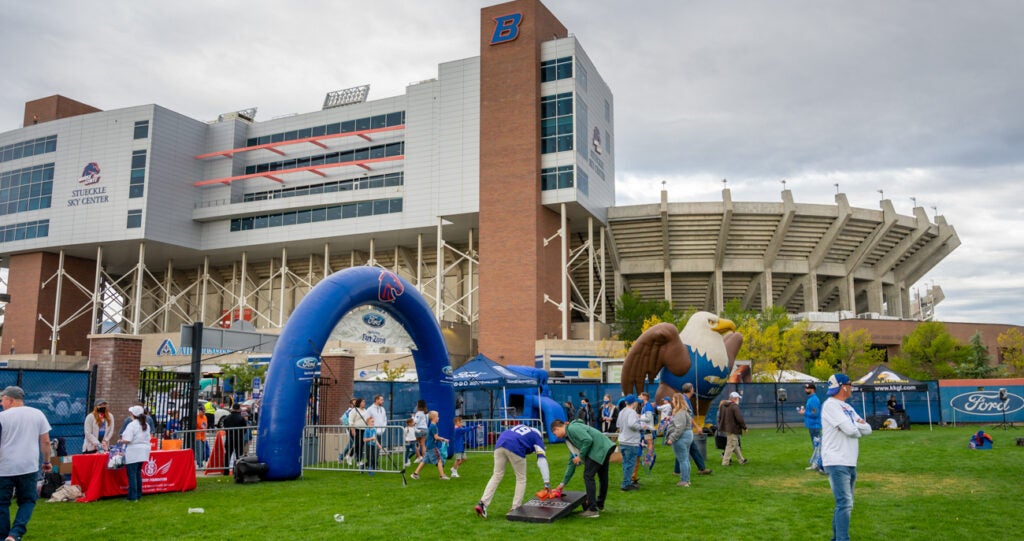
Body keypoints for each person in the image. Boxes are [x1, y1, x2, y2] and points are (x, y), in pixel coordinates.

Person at [821, 374, 872, 541]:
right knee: (845, 504)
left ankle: (837, 538)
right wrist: (856, 427)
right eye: (850, 384)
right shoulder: (830, 406)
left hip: (849, 461)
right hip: (836, 461)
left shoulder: (847, 408)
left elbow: (868, 429)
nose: (852, 388)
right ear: (843, 386)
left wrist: (852, 426)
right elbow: (851, 430)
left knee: (844, 504)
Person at [0, 386, 52, 541]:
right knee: (27, 501)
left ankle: (3, 536)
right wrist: (47, 461)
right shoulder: (38, 414)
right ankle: (15, 533)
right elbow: (46, 441)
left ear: (10, 399)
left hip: (4, 467)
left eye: (2, 400)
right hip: (28, 466)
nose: (2, 404)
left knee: (2, 503)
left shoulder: (2, 417)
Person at [473, 424, 551, 519]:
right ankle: (515, 508)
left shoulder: (523, 428)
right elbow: (542, 460)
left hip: (500, 443)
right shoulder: (537, 438)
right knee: (521, 478)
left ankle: (482, 503)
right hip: (515, 446)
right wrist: (546, 483)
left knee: (496, 475)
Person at [550, 419, 614, 518]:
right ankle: (599, 504)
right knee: (602, 477)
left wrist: (581, 456)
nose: (556, 436)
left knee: (588, 476)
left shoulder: (572, 428)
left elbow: (588, 440)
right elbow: (571, 462)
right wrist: (562, 484)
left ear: (557, 429)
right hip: (605, 447)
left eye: (555, 434)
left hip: (598, 449)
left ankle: (592, 509)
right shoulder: (569, 437)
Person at [117, 405, 150, 502]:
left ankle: (133, 496)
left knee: (132, 474)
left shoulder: (132, 425)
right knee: (138, 473)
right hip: (143, 451)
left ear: (133, 414)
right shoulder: (146, 425)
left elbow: (127, 439)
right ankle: (138, 494)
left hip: (133, 452)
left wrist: (121, 441)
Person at [680, 383, 712, 475]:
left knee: (688, 449)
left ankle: (701, 468)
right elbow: (689, 416)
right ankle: (701, 468)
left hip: (685, 429)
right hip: (685, 429)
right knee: (687, 449)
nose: (693, 390)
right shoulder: (684, 400)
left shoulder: (684, 399)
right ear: (690, 390)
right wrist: (697, 427)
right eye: (693, 388)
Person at [664, 393, 694, 487]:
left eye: (673, 399)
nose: (672, 401)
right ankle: (687, 479)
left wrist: (671, 438)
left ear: (676, 401)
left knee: (683, 460)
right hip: (688, 435)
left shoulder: (680, 412)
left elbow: (680, 428)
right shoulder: (684, 411)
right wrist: (671, 418)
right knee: (685, 459)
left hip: (682, 437)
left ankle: (684, 481)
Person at [616, 394, 643, 491]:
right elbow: (632, 424)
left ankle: (626, 481)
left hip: (623, 440)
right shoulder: (632, 412)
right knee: (630, 463)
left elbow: (618, 425)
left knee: (626, 463)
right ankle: (626, 484)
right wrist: (641, 426)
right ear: (633, 403)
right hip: (630, 441)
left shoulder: (622, 411)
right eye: (636, 402)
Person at [411, 411, 449, 480]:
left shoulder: (431, 426)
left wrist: (440, 440)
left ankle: (415, 474)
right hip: (432, 447)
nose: (438, 418)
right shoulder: (434, 427)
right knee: (439, 460)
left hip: (428, 446)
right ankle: (442, 476)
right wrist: (443, 439)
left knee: (424, 461)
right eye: (437, 416)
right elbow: (436, 437)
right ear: (434, 418)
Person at [797, 383, 823, 472]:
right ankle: (816, 463)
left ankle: (819, 464)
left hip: (814, 425)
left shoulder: (814, 400)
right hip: (811, 425)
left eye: (807, 388)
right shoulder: (811, 399)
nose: (805, 390)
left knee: (817, 445)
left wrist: (804, 413)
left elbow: (815, 414)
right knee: (815, 445)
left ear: (812, 389)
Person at [718, 391, 748, 466]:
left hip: (726, 428)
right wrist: (744, 427)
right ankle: (725, 462)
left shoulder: (723, 405)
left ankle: (741, 460)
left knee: (735, 444)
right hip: (733, 429)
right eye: (738, 398)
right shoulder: (734, 406)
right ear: (735, 399)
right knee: (731, 445)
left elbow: (720, 417)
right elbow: (739, 418)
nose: (738, 400)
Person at [221, 403, 248, 474]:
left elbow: (225, 428)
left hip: (229, 439)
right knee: (239, 456)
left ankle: (226, 471)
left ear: (232, 408)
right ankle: (237, 471)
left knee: (227, 455)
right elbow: (244, 429)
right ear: (239, 409)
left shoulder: (226, 418)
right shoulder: (241, 418)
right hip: (239, 439)